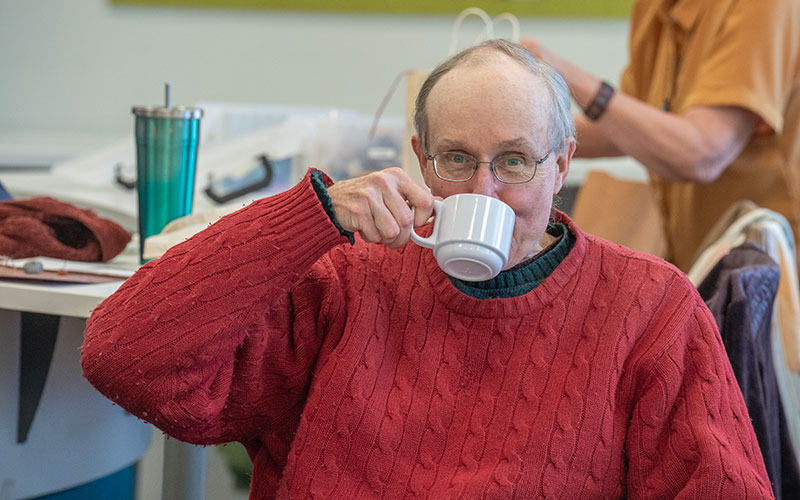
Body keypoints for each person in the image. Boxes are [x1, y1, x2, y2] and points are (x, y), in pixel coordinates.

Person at [80, 39, 773, 499]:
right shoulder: (346, 279)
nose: (482, 191)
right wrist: (309, 214)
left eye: (513, 160)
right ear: (419, 157)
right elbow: (124, 357)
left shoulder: (648, 306)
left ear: (562, 162)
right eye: (456, 159)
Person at [521, 0, 800, 273]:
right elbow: (632, 128)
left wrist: (564, 75)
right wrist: (522, 132)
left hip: (778, 272)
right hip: (711, 259)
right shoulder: (655, 8)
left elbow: (702, 155)